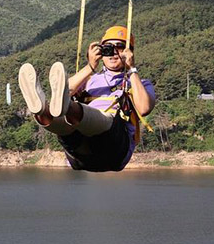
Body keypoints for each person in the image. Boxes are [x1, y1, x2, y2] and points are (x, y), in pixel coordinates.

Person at [18, 25, 156, 172]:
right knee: (59, 115)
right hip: (81, 149)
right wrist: (90, 66)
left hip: (113, 146)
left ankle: (63, 108)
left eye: (120, 47)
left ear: (130, 52)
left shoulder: (139, 83)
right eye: (108, 48)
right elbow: (65, 90)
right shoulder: (89, 79)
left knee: (83, 114)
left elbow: (144, 108)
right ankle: (41, 110)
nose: (114, 52)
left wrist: (131, 69)